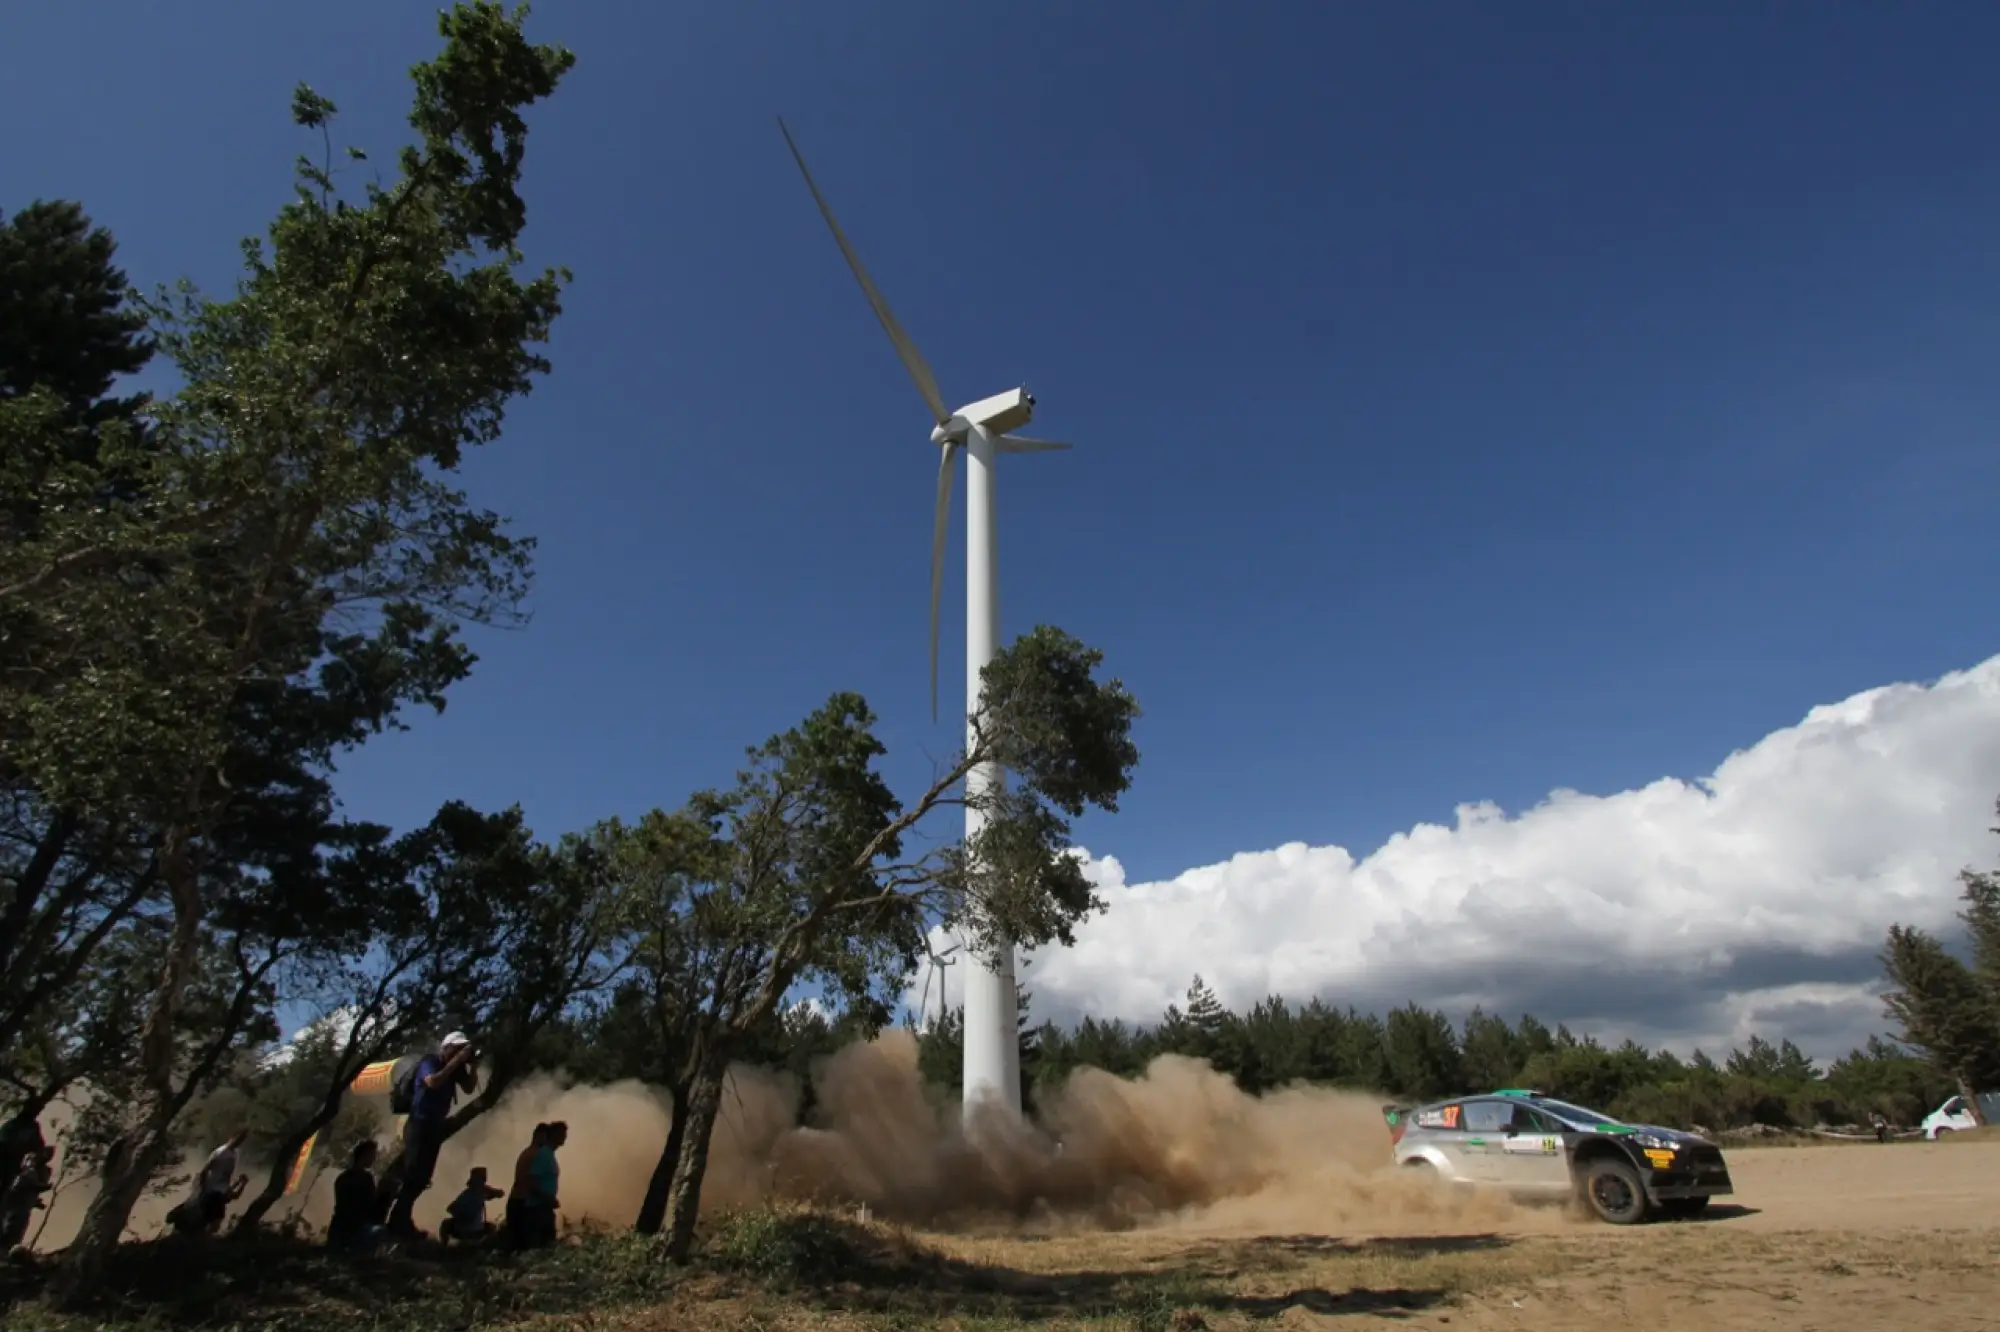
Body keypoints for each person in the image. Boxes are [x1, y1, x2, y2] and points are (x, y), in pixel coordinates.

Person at [385, 1031, 478, 1239]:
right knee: (412, 1174)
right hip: (419, 1124)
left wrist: (473, 1067)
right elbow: (433, 1082)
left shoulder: (455, 1068)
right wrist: (456, 1062)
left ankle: (402, 1219)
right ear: (446, 1047)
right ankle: (397, 1222)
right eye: (457, 1047)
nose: (460, 1052)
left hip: (435, 1126)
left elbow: (469, 1088)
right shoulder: (430, 1061)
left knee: (423, 1177)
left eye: (463, 1048)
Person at [173, 1129, 249, 1236]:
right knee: (213, 1222)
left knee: (213, 1222)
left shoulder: (235, 1154)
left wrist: (241, 1183)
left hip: (218, 1190)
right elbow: (205, 1169)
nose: (239, 1142)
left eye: (242, 1140)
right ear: (232, 1137)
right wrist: (202, 1188)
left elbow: (232, 1192)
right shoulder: (221, 1152)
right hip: (211, 1190)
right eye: (238, 1138)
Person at [327, 1139, 387, 1253]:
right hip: (355, 1232)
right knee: (381, 1231)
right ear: (364, 1155)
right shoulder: (365, 1178)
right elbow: (369, 1207)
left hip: (337, 1231)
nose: (374, 1158)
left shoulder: (342, 1177)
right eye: (372, 1155)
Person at [0, 1144, 53, 1251]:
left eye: (50, 1155)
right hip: (16, 1195)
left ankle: (9, 1248)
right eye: (46, 1152)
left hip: (26, 1201)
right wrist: (39, 1185)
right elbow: (26, 1176)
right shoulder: (31, 1159)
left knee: (18, 1225)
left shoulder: (45, 1170)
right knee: (10, 1220)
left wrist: (36, 1200)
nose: (47, 1156)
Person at [438, 1166, 504, 1246]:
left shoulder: (477, 1193)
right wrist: (461, 1215)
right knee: (492, 1228)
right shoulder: (469, 1194)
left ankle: (444, 1246)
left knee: (492, 1227)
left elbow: (498, 1193)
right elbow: (450, 1208)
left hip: (473, 1230)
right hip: (468, 1230)